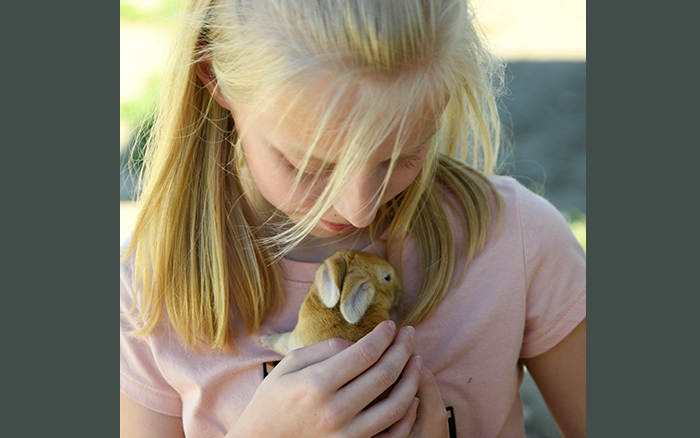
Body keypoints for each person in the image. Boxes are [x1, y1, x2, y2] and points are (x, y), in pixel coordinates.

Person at [120, 0, 586, 437]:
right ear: (214, 75)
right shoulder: (150, 290)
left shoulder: (518, 242)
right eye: (310, 166)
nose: (358, 207)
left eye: (402, 155)